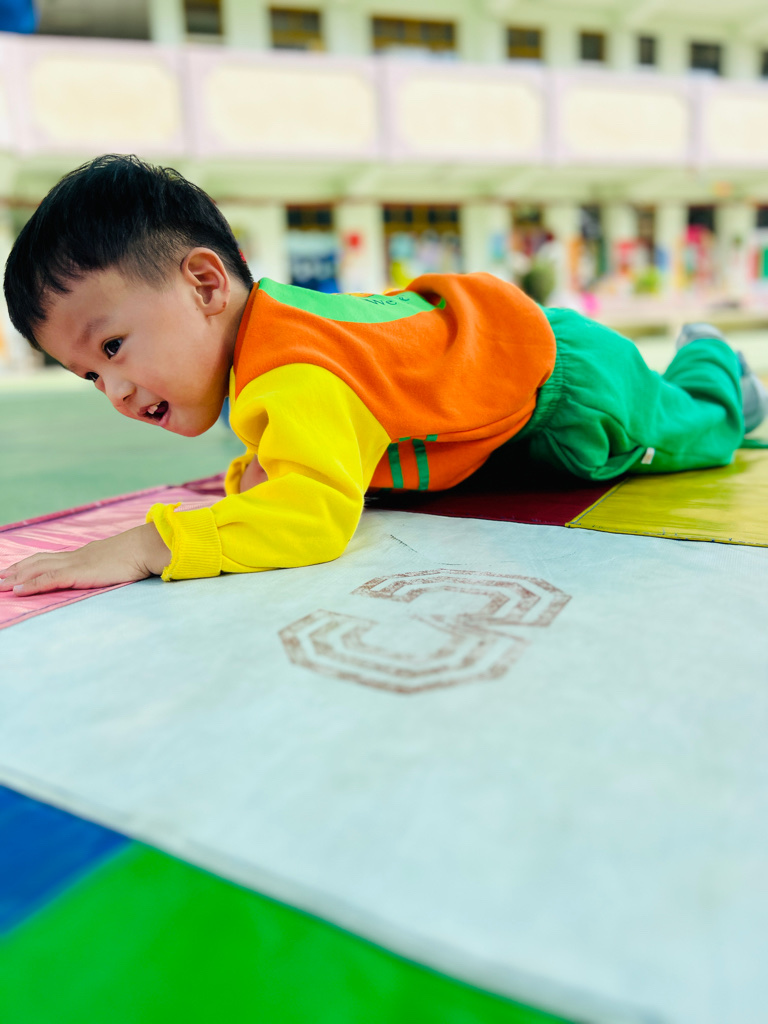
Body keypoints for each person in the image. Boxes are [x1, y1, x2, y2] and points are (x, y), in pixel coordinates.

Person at [1, 155, 765, 597]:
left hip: (573, 388)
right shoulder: (275, 334)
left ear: (206, 285)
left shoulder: (289, 370)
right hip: (510, 390)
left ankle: (716, 363)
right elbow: (317, 455)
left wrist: (150, 545)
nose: (115, 391)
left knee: (700, 431)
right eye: (89, 377)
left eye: (112, 347)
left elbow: (311, 518)